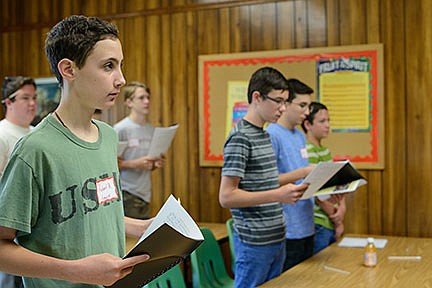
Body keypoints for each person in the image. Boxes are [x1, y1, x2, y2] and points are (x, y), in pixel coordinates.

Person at [0, 15, 152, 288]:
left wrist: (140, 227)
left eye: (120, 65)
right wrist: (77, 271)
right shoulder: (35, 150)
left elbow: (97, 210)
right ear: (69, 69)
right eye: (108, 66)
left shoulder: (107, 136)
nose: (121, 79)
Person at [219, 67, 308, 288]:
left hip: (276, 237)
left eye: (285, 102)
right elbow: (227, 196)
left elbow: (265, 182)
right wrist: (278, 195)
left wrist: (302, 176)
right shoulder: (240, 137)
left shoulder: (265, 134)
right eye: (278, 101)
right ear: (257, 97)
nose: (283, 108)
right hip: (254, 242)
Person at [266, 78, 315, 271]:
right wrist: (303, 172)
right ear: (285, 104)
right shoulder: (272, 134)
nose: (307, 112)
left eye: (309, 106)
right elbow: (267, 181)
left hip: (306, 222)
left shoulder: (300, 135)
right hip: (287, 228)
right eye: (302, 105)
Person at [0, 76, 37, 288]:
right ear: (9, 102)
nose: (32, 103)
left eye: (34, 97)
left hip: (34, 226)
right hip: (8, 225)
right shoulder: (2, 134)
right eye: (25, 98)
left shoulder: (36, 133)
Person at [114, 82, 165, 220]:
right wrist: (135, 164)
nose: (147, 101)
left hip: (145, 193)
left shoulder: (150, 129)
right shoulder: (120, 129)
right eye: (141, 98)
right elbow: (109, 164)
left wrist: (154, 164)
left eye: (147, 97)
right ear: (129, 102)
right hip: (127, 193)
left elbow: (146, 163)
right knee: (131, 240)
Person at [301, 101, 346, 254]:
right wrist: (335, 216)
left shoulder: (325, 151)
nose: (327, 125)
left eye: (328, 121)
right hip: (318, 221)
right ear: (308, 124)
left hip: (330, 219)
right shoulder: (307, 150)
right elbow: (315, 191)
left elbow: (335, 184)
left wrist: (341, 209)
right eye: (322, 121)